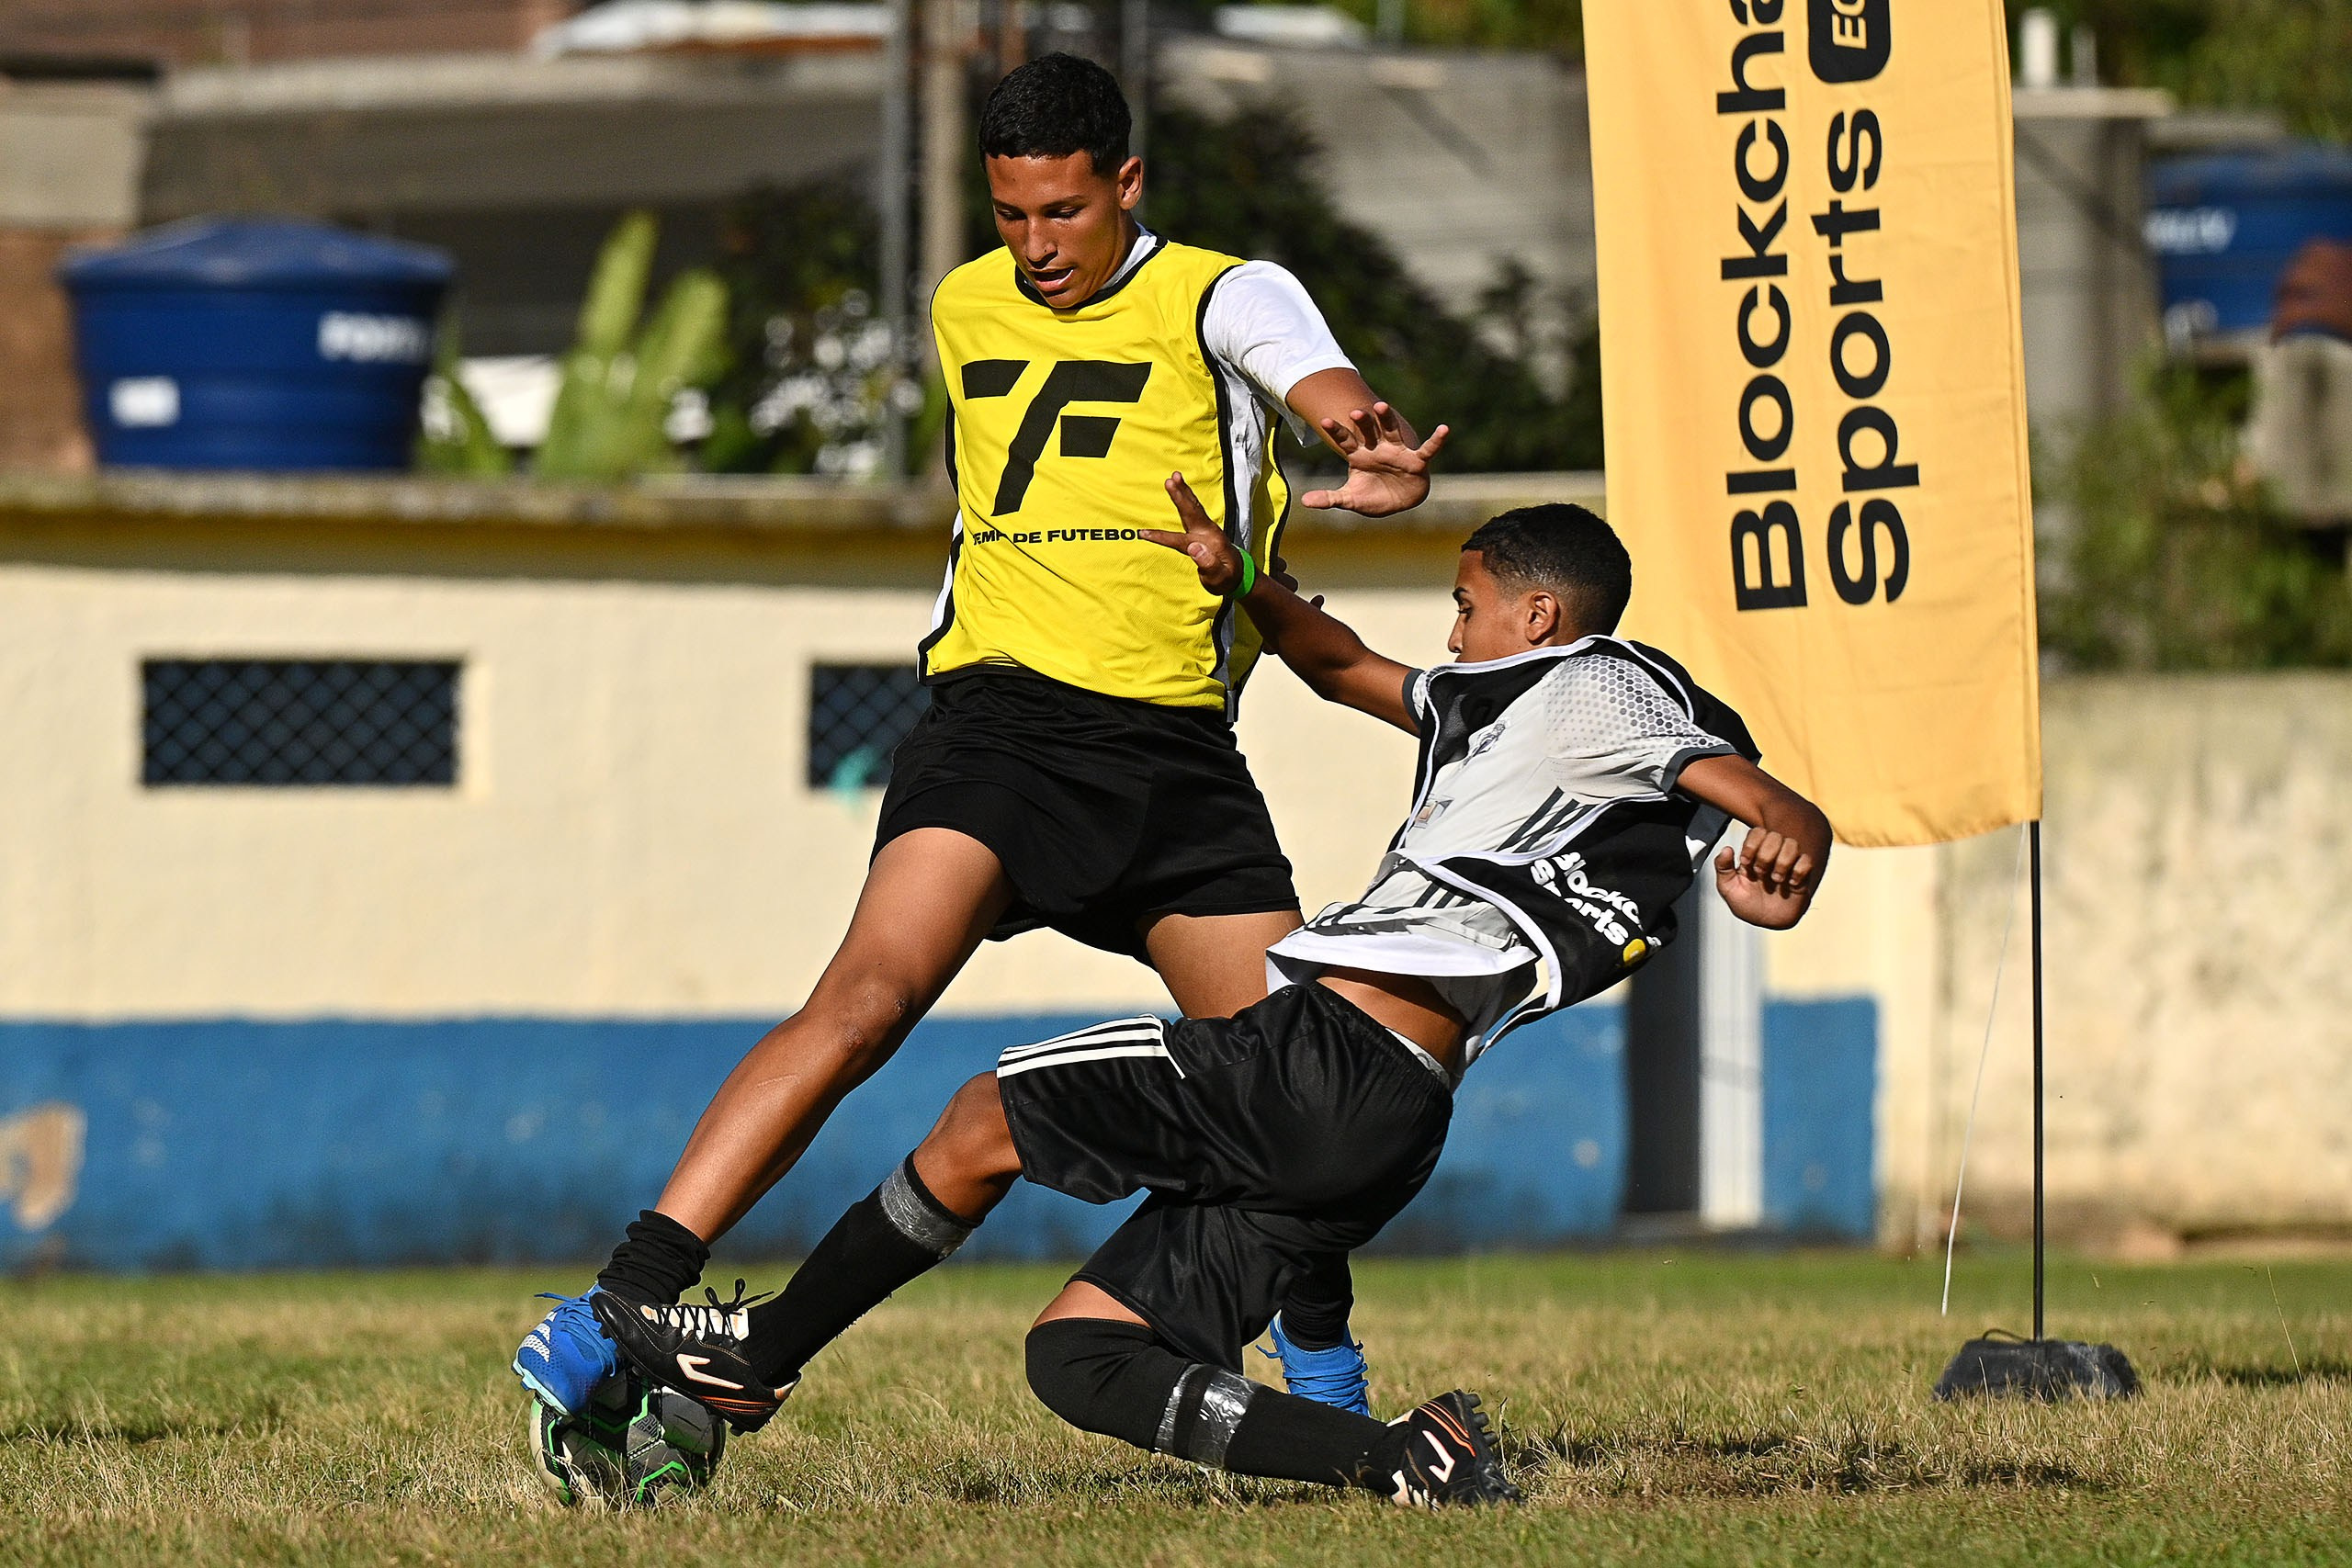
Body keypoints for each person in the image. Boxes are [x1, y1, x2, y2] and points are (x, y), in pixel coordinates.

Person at [514, 51, 1449, 1424]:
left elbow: (1307, 372)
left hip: (1177, 758)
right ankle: (624, 1298)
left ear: (1126, 183)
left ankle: (1321, 1366)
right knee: (868, 999)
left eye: (1063, 212)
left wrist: (1354, 436)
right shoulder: (964, 301)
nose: (1035, 246)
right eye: (1011, 214)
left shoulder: (1221, 291)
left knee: (1286, 1086)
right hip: (1002, 727)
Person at [583, 497, 1832, 1507]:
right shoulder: (1485, 703)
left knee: (982, 1119)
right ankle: (1402, 1461)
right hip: (1380, 1124)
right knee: (1079, 1359)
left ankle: (756, 1358)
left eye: (1467, 606)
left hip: (1320, 1059)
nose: (1452, 633)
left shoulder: (1599, 684)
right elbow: (1344, 666)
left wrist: (1788, 840)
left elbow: (1742, 786)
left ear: (1539, 610)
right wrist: (1243, 583)